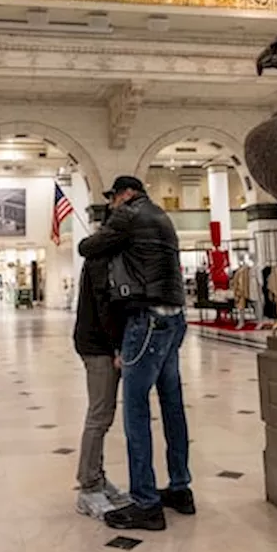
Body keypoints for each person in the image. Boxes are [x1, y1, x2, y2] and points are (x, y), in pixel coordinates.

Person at [79, 175, 192, 532]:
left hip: (147, 321)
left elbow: (86, 247)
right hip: (175, 318)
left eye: (113, 198)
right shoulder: (162, 216)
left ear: (126, 194)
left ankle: (145, 503)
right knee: (173, 406)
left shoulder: (129, 214)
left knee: (137, 412)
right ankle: (180, 488)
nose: (111, 206)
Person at [72, 206, 127, 520]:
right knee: (99, 414)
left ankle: (98, 477)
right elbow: (106, 307)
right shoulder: (100, 259)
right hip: (98, 347)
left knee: (104, 414)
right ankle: (88, 487)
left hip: (98, 344)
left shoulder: (102, 255)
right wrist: (116, 346)